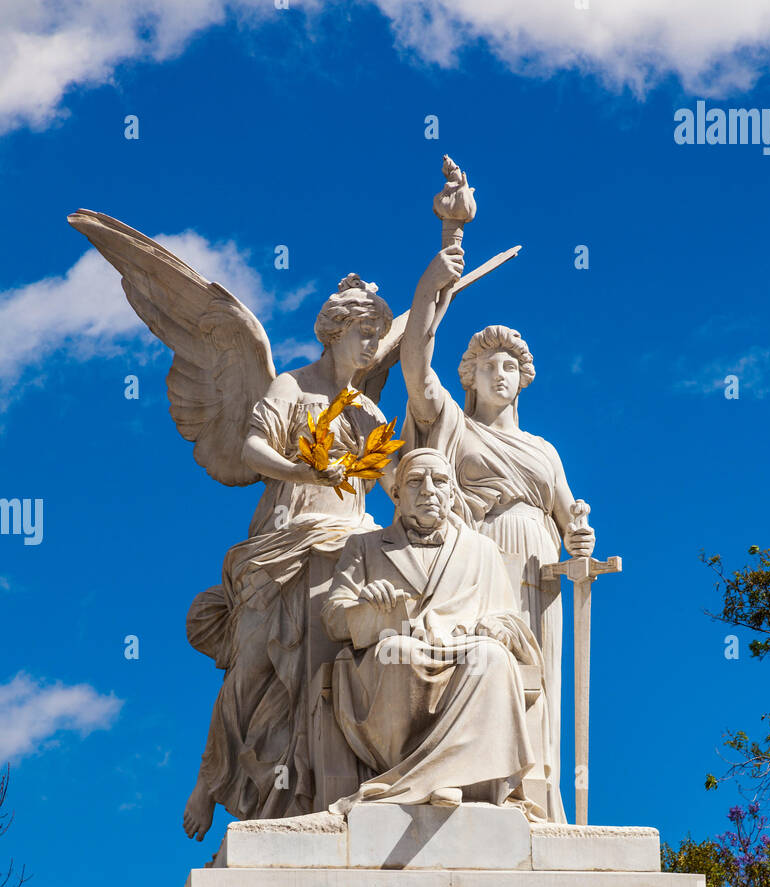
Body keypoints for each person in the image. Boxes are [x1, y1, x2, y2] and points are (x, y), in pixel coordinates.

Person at [182, 275, 395, 840]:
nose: (372, 344)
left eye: (377, 334)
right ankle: (209, 780)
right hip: (286, 539)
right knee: (251, 669)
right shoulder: (289, 385)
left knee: (322, 674)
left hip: (349, 542)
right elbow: (252, 449)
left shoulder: (364, 407)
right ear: (334, 332)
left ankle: (312, 796)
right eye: (363, 332)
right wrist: (302, 470)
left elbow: (395, 475)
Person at [400, 246, 596, 820]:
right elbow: (414, 362)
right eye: (490, 366)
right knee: (485, 660)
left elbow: (569, 517)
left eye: (510, 366)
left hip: (540, 564)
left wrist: (581, 540)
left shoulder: (543, 450)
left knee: (539, 674)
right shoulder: (452, 426)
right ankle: (478, 781)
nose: (501, 374)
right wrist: (430, 287)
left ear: (524, 379)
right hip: (478, 557)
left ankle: (535, 793)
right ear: (471, 377)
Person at [321, 448, 546, 813]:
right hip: (394, 651)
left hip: (464, 646)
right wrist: (365, 606)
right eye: (415, 481)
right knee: (399, 653)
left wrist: (497, 627)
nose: (429, 489)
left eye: (440, 481)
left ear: (453, 495)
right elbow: (332, 619)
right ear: (395, 494)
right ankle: (419, 774)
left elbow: (510, 619)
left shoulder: (482, 550)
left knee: (491, 658)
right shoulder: (364, 546)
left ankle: (451, 777)